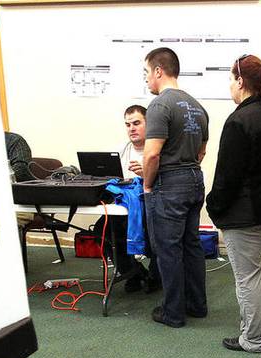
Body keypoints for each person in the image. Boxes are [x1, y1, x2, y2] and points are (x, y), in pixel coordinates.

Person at [206, 55, 261, 353]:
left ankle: (253, 339)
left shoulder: (239, 120)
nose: (230, 85)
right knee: (253, 274)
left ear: (241, 82)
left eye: (231, 79)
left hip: (244, 213)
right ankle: (252, 332)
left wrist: (214, 206)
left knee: (247, 278)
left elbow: (227, 176)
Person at [142, 47, 209, 328]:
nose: (146, 79)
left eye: (146, 73)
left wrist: (147, 185)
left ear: (159, 71)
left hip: (169, 184)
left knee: (168, 248)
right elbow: (202, 152)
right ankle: (197, 305)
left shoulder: (159, 106)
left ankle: (172, 313)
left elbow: (152, 154)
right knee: (191, 244)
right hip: (194, 179)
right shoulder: (198, 106)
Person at [98, 104, 160, 293]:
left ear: (148, 124)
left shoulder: (157, 150)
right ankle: (132, 272)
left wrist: (148, 173)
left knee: (159, 233)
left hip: (152, 206)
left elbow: (166, 182)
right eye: (127, 125)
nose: (131, 128)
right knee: (103, 228)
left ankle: (155, 276)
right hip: (123, 208)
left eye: (136, 123)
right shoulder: (120, 151)